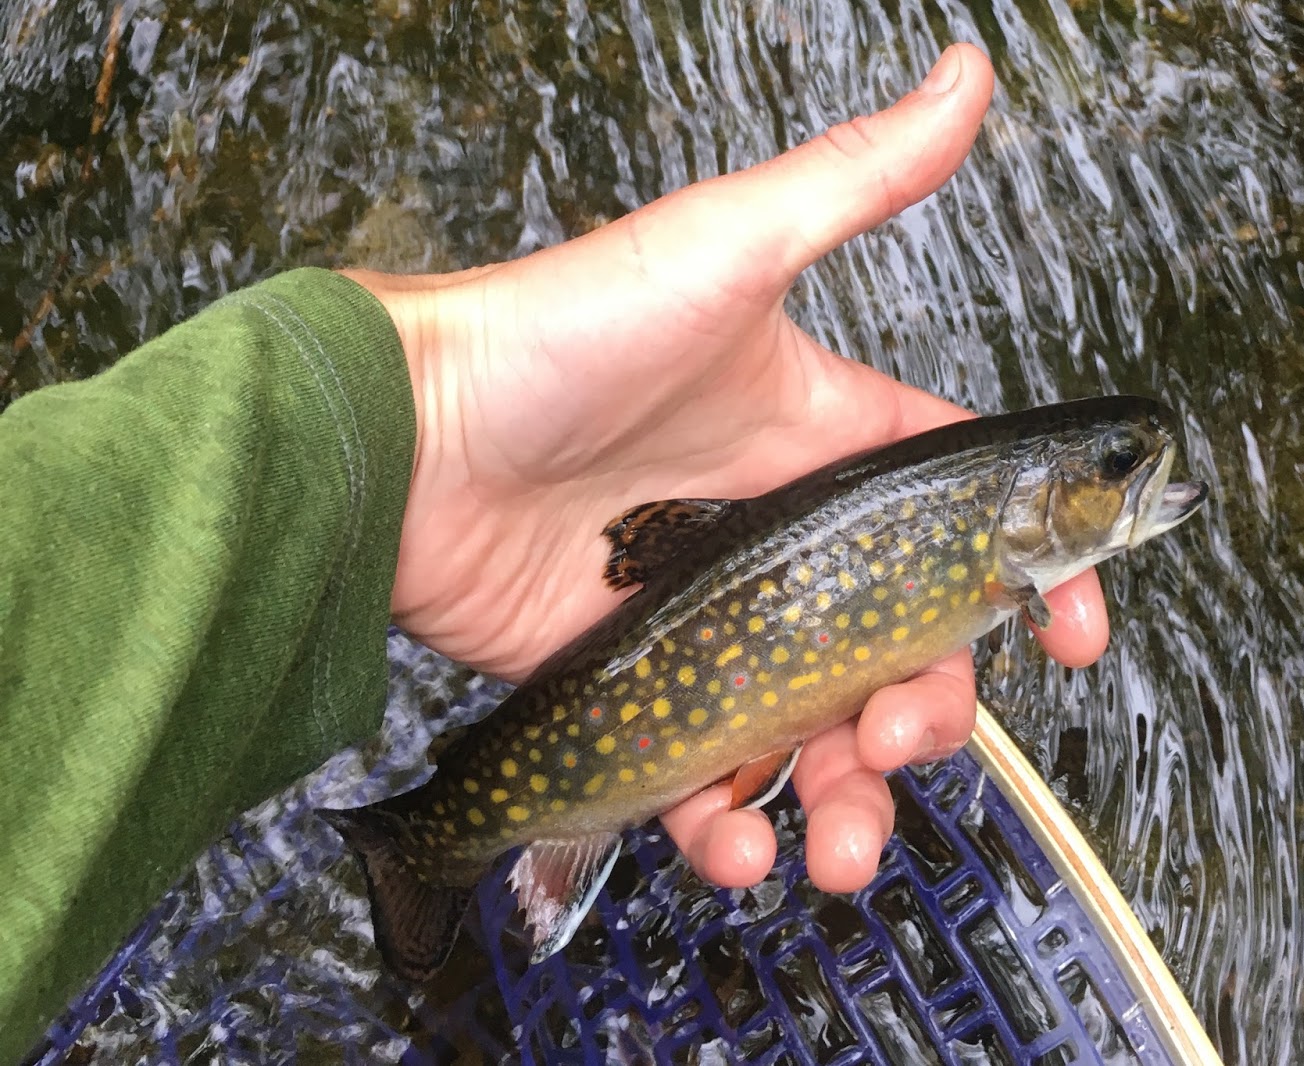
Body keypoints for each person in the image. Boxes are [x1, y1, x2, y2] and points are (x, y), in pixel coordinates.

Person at [0, 43, 1108, 1060]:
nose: (1125, 486)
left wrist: (415, 424)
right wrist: (412, 418)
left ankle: (440, 837)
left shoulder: (996, 559)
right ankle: (428, 839)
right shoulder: (991, 563)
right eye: (1107, 473)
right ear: (1032, 512)